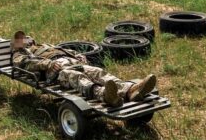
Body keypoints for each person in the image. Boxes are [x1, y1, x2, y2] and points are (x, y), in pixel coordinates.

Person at [10, 31, 156, 107]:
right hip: (55, 72)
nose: (26, 39)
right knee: (75, 76)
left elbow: (66, 50)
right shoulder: (19, 54)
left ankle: (130, 90)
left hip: (71, 61)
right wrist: (46, 64)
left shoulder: (45, 46)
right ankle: (104, 95)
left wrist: (78, 55)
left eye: (26, 37)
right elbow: (22, 65)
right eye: (21, 39)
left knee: (98, 72)